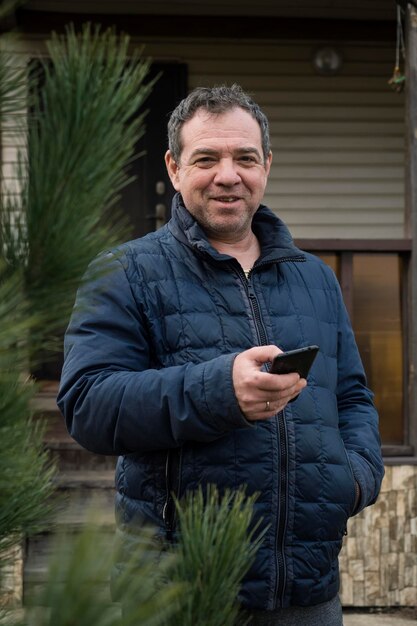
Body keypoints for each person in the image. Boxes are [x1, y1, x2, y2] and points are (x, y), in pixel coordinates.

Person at [57, 84, 384, 625]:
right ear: (173, 167)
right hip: (179, 590)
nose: (228, 175)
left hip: (308, 589)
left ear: (267, 166)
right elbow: (88, 406)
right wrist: (218, 391)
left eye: (245, 158)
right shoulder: (125, 271)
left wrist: (355, 478)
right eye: (206, 158)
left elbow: (351, 396)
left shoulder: (314, 279)